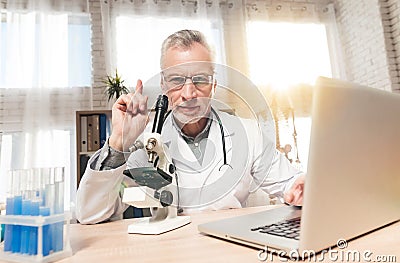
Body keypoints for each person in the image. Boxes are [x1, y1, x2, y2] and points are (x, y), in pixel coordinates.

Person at [76, 29, 305, 224]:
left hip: (231, 247)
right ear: (164, 86)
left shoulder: (247, 133)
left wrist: (300, 189)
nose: (189, 94)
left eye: (200, 80)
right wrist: (119, 142)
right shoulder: (145, 143)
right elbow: (91, 214)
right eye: (176, 81)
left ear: (213, 85)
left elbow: (289, 184)